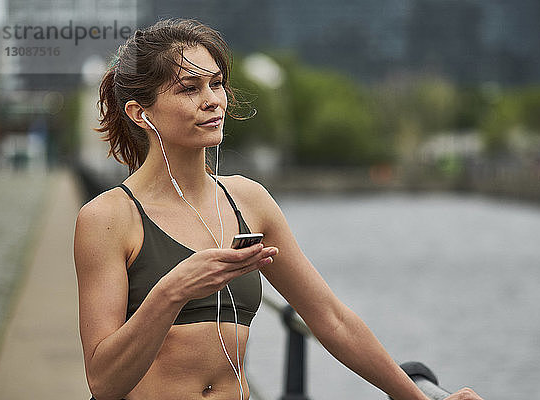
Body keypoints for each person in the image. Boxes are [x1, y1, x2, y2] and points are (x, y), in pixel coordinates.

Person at [74, 19, 483, 400]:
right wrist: (173, 290)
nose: (212, 101)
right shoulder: (108, 219)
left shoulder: (249, 201)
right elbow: (104, 381)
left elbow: (330, 319)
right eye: (188, 89)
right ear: (140, 113)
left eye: (216, 84)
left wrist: (414, 397)